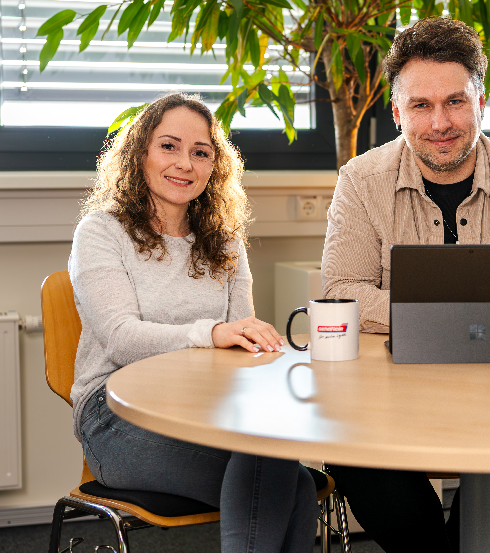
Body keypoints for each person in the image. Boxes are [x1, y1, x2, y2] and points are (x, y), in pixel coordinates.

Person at [321, 16, 490, 552]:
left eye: (455, 102)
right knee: (351, 452)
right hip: (390, 394)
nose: (440, 122)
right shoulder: (360, 180)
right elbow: (342, 290)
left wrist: (434, 315)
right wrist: (464, 316)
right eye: (421, 105)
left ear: (480, 103)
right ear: (398, 113)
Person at [68, 93, 318, 553]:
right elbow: (121, 339)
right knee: (284, 480)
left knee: (282, 469)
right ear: (140, 152)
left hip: (206, 410)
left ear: (214, 167)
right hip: (116, 414)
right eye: (168, 146)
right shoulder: (101, 232)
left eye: (200, 152)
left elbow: (240, 344)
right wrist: (212, 333)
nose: (184, 163)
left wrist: (254, 344)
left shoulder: (225, 242)